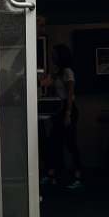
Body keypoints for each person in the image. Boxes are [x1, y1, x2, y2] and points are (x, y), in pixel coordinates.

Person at [42, 45, 83, 189]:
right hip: (60, 110)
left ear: (60, 54)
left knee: (71, 144)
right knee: (53, 142)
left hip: (68, 109)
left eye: (53, 54)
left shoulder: (67, 72)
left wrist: (68, 115)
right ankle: (51, 175)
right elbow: (54, 94)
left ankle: (78, 178)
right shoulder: (57, 71)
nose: (51, 56)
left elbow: (70, 94)